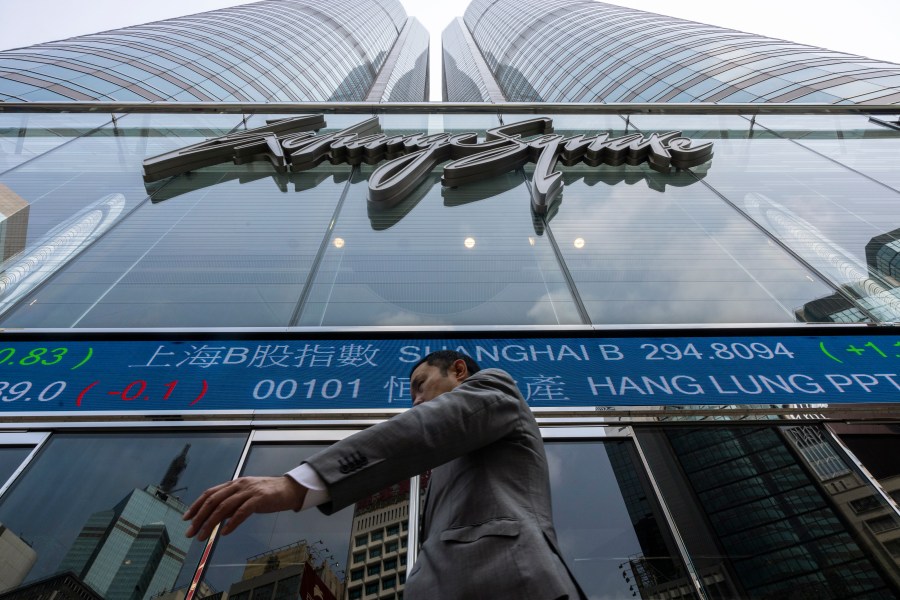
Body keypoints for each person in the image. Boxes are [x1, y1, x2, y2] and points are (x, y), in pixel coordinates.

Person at [184, 350, 586, 600]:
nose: (414, 401)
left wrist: (297, 483)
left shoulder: (493, 388)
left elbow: (424, 428)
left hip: (506, 583)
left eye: (419, 386)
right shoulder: (447, 458)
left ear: (459, 371)